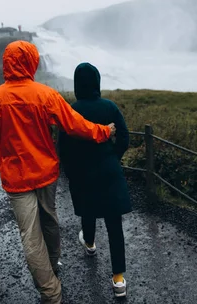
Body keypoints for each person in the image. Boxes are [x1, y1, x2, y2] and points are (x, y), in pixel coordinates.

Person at [0, 41, 116, 304]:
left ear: (6, 63)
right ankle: (51, 275)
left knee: (30, 234)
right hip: (46, 173)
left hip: (16, 179)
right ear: (31, 62)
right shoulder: (45, 94)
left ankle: (50, 289)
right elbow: (75, 125)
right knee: (49, 222)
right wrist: (104, 132)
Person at [58, 63, 131, 298]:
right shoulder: (110, 106)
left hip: (83, 172)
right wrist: (113, 156)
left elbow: (64, 146)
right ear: (97, 82)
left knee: (88, 210)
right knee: (114, 224)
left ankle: (89, 244)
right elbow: (125, 136)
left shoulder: (71, 110)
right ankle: (119, 280)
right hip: (109, 170)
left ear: (77, 84)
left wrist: (70, 170)